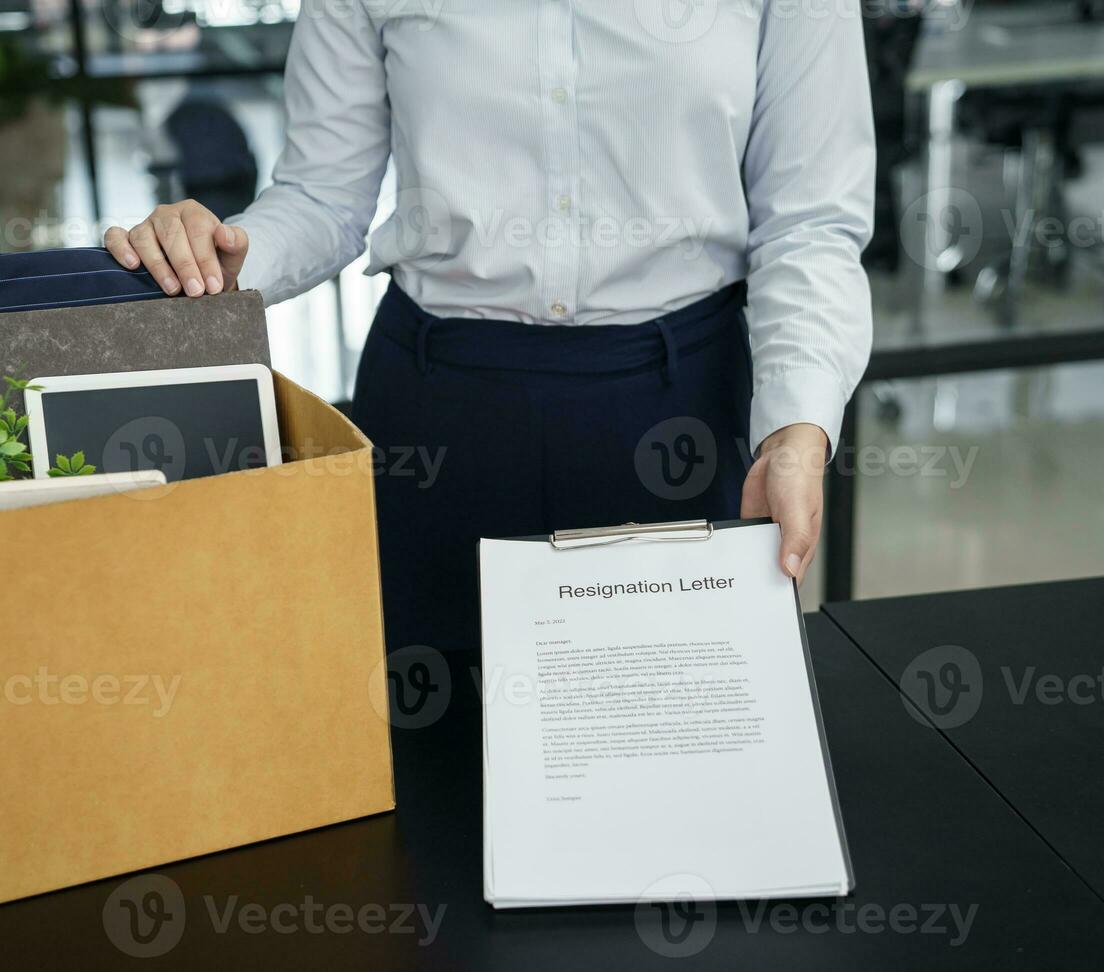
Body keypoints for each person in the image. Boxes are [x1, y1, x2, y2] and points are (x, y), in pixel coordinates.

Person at [105, 1, 874, 651]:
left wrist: (797, 425)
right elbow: (323, 195)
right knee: (429, 769)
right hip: (441, 409)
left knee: (674, 762)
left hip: (680, 406)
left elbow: (809, 221)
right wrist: (228, 259)